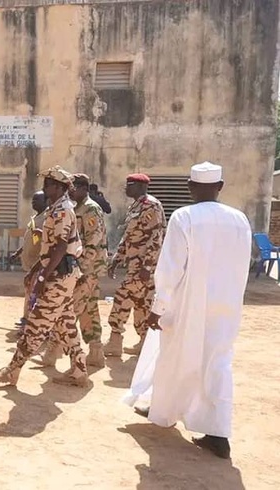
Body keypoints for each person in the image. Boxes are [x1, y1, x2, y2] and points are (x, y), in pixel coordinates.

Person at [124, 162, 251, 460]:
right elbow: (241, 265)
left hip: (187, 304)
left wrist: (159, 306)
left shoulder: (184, 217)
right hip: (226, 305)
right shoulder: (239, 219)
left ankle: (164, 413)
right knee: (217, 364)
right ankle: (218, 434)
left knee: (174, 356)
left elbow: (170, 268)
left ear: (191, 187)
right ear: (220, 186)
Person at [0, 166, 87, 387]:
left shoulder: (62, 210)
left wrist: (42, 277)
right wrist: (36, 269)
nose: (45, 187)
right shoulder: (56, 208)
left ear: (60, 188)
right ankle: (79, 371)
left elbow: (61, 247)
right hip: (62, 274)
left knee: (36, 324)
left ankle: (11, 370)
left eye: (49, 184)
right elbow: (50, 246)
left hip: (59, 276)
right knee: (66, 323)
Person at [105, 173, 166, 357]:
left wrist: (147, 267)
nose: (126, 188)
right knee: (142, 303)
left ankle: (115, 340)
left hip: (143, 267)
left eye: (129, 185)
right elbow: (130, 235)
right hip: (134, 264)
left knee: (122, 297)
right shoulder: (136, 206)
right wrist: (117, 258)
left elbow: (156, 238)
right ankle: (145, 343)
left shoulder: (151, 206)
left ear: (140, 186)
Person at [70, 174, 108, 366]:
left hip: (89, 268)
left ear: (84, 188)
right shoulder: (77, 208)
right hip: (86, 267)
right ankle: (96, 352)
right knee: (89, 309)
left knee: (71, 309)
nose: (70, 190)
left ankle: (53, 351)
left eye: (73, 187)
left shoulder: (90, 208)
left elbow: (93, 240)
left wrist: (82, 268)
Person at [10, 190, 48, 329]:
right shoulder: (35, 218)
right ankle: (26, 317)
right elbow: (30, 239)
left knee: (33, 292)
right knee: (28, 290)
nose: (33, 203)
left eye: (37, 200)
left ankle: (31, 320)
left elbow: (45, 241)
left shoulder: (46, 219)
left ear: (46, 201)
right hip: (29, 261)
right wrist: (18, 252)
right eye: (33, 200)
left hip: (37, 263)